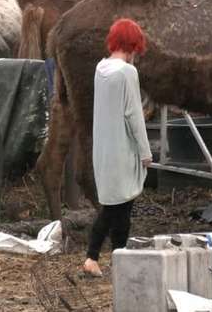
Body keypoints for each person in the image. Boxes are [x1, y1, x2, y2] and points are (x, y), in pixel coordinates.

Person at [83, 18, 152, 276]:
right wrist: (145, 152)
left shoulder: (100, 69)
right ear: (133, 45)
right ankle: (95, 258)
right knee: (117, 207)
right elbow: (134, 115)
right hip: (122, 150)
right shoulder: (126, 73)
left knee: (118, 207)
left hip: (103, 149)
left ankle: (113, 259)